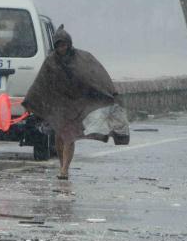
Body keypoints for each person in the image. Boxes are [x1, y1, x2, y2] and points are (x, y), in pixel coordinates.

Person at [22, 26, 124, 180]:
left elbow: (96, 75)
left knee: (69, 136)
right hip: (58, 105)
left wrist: (110, 92)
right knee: (58, 137)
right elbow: (40, 83)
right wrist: (30, 102)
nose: (61, 48)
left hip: (75, 105)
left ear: (69, 44)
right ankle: (62, 164)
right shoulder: (51, 62)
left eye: (64, 45)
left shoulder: (82, 58)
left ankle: (64, 169)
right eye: (58, 46)